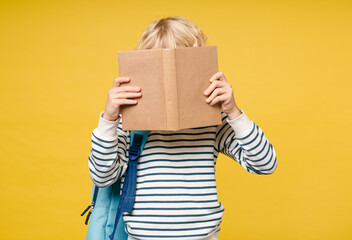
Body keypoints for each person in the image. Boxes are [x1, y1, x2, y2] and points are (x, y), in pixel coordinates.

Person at [88, 16, 278, 240]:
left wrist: (234, 112)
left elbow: (265, 164)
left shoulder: (213, 121)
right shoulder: (129, 124)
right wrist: (109, 119)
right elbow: (102, 177)